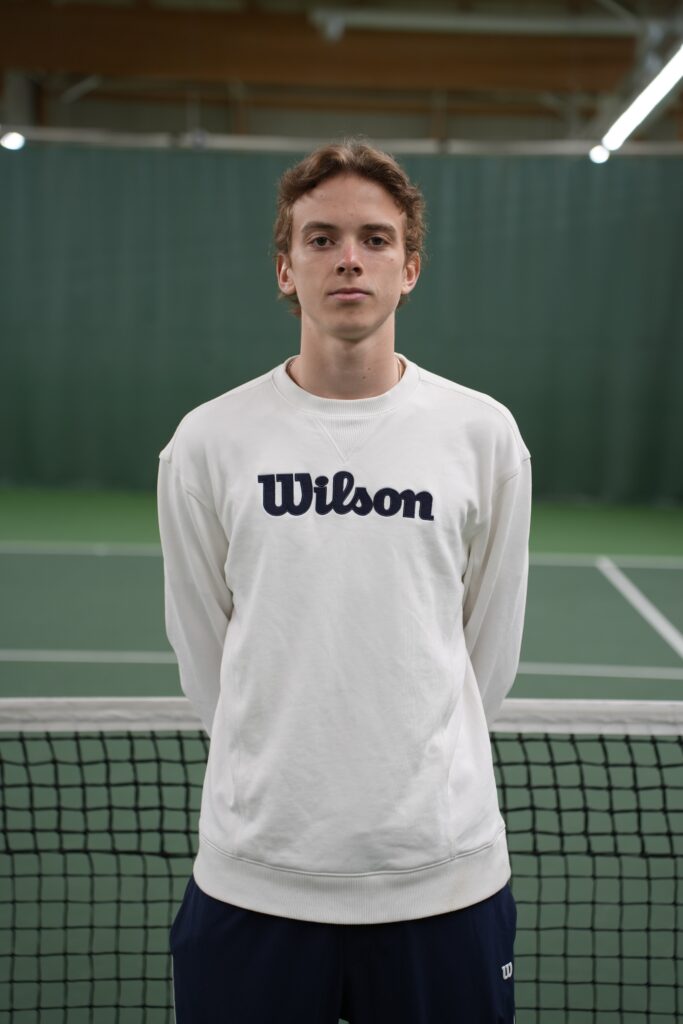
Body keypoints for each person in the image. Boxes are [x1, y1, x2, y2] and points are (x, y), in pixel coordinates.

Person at [157, 138, 531, 1024]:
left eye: (374, 239)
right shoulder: (208, 442)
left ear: (410, 268)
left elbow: (487, 655)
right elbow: (205, 654)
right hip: (254, 880)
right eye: (320, 239)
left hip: (443, 880)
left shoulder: (482, 435)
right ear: (285, 270)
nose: (349, 259)